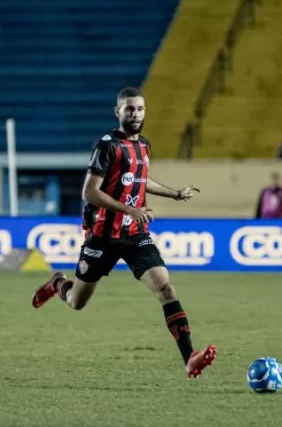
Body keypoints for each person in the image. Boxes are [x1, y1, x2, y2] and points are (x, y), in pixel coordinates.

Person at [30, 87, 217, 378]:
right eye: (129, 109)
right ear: (117, 112)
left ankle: (189, 358)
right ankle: (57, 284)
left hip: (135, 235)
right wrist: (129, 209)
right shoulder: (107, 146)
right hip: (102, 236)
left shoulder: (144, 145)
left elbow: (141, 181)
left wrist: (175, 194)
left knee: (166, 289)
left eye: (140, 109)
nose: (135, 114)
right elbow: (89, 192)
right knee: (77, 302)